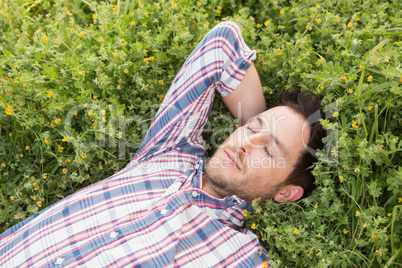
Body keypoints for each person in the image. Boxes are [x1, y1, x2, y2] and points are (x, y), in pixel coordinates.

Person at [0, 21, 324, 267]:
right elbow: (221, 45)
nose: (247, 142)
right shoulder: (171, 149)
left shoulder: (240, 256)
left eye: (269, 150)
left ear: (286, 192)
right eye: (252, 127)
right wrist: (255, 134)